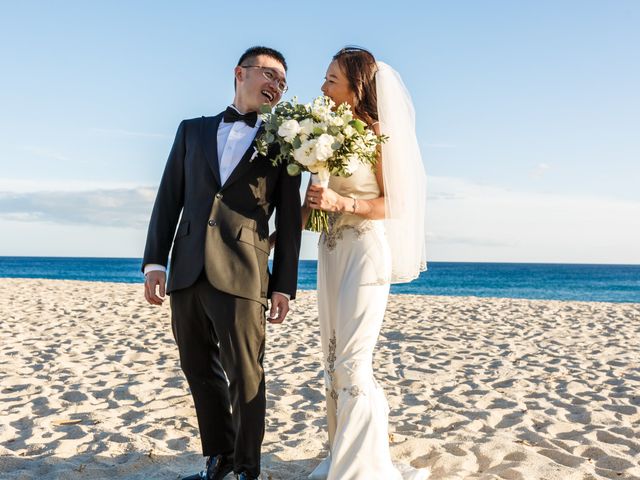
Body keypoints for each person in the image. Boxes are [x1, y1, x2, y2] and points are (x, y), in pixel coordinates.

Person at [142, 46, 302, 480]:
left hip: (244, 271)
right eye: (269, 74)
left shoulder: (286, 144)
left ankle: (248, 469)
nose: (276, 85)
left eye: (282, 82)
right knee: (198, 370)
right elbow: (168, 197)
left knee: (246, 374)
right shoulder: (191, 131)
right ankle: (220, 459)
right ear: (240, 73)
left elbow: (290, 222)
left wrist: (283, 284)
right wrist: (155, 261)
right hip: (187, 267)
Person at [305, 47, 429, 479]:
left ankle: (360, 468)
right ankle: (342, 451)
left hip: (365, 250)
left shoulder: (377, 134)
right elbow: (314, 214)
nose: (323, 87)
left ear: (356, 87)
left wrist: (343, 202)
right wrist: (309, 207)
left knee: (353, 362)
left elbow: (396, 203)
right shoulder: (321, 136)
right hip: (330, 250)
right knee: (331, 357)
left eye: (331, 79)